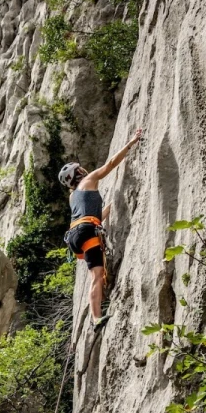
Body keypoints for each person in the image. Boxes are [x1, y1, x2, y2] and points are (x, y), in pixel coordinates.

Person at [60, 128, 142, 331]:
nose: (84, 169)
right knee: (97, 276)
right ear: (79, 173)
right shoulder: (89, 180)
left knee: (95, 276)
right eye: (80, 168)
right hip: (87, 230)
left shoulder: (72, 197)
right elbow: (111, 164)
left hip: (76, 235)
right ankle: (96, 316)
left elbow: (93, 217)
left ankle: (96, 318)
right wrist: (131, 142)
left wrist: (112, 207)